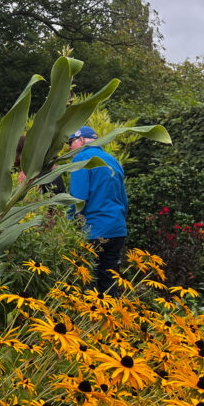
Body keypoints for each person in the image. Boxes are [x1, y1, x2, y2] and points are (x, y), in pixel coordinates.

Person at [67, 125, 127, 297]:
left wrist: (69, 225)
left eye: (71, 142)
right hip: (117, 230)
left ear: (82, 140)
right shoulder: (113, 161)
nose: (70, 148)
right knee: (109, 283)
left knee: (87, 284)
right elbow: (123, 199)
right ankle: (112, 321)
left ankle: (86, 322)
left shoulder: (82, 159)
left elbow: (78, 199)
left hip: (93, 232)